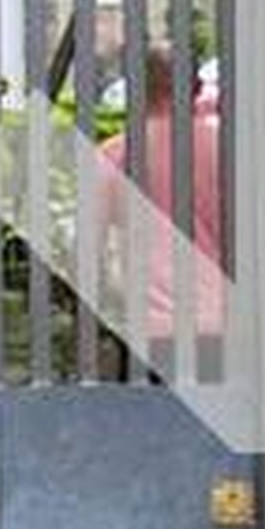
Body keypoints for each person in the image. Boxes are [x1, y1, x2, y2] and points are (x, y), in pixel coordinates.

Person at [90, 44, 229, 372]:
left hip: (149, 332)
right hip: (226, 325)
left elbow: (87, 252)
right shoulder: (228, 148)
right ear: (196, 88)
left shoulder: (113, 156)